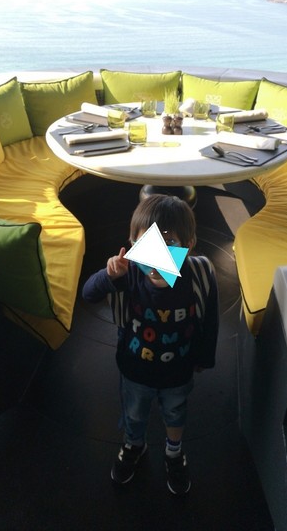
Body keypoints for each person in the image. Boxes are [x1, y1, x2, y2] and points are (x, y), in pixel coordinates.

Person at [82, 194, 219, 495]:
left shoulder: (199, 274)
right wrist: (108, 275)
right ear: (133, 244)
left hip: (178, 370)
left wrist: (204, 357)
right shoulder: (128, 272)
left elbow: (210, 319)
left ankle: (174, 451)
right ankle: (134, 445)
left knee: (176, 412)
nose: (156, 261)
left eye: (169, 246)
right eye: (148, 246)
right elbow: (88, 294)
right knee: (134, 414)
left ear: (189, 245)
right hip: (135, 370)